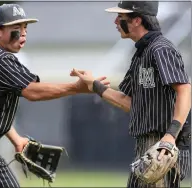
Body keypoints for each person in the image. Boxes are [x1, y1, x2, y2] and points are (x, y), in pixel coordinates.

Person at [0, 3, 110, 188]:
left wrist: (16, 139)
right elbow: (32, 91)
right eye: (16, 28)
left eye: (25, 28)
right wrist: (76, 88)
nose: (23, 33)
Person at [71, 1, 191, 188]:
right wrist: (94, 86)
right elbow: (130, 103)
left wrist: (170, 136)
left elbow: (185, 89)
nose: (115, 21)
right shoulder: (141, 53)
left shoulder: (161, 49)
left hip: (162, 145)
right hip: (146, 145)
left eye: (121, 17)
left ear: (137, 20)